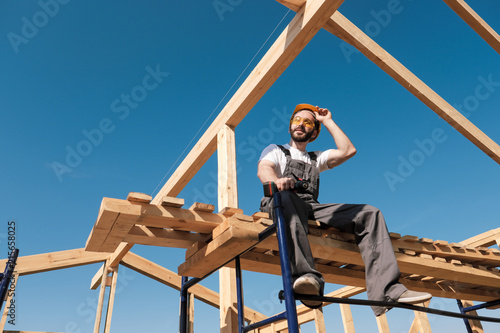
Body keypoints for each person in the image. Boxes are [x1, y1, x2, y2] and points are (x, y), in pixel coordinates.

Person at [257, 103, 432, 316]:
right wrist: (276, 181)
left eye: (308, 122)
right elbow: (264, 169)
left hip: (310, 207)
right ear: (290, 126)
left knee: (369, 214)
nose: (301, 124)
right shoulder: (276, 150)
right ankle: (307, 279)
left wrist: (327, 121)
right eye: (296, 120)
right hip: (281, 200)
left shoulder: (316, 158)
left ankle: (388, 289)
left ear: (314, 132)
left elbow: (348, 151)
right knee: (286, 198)